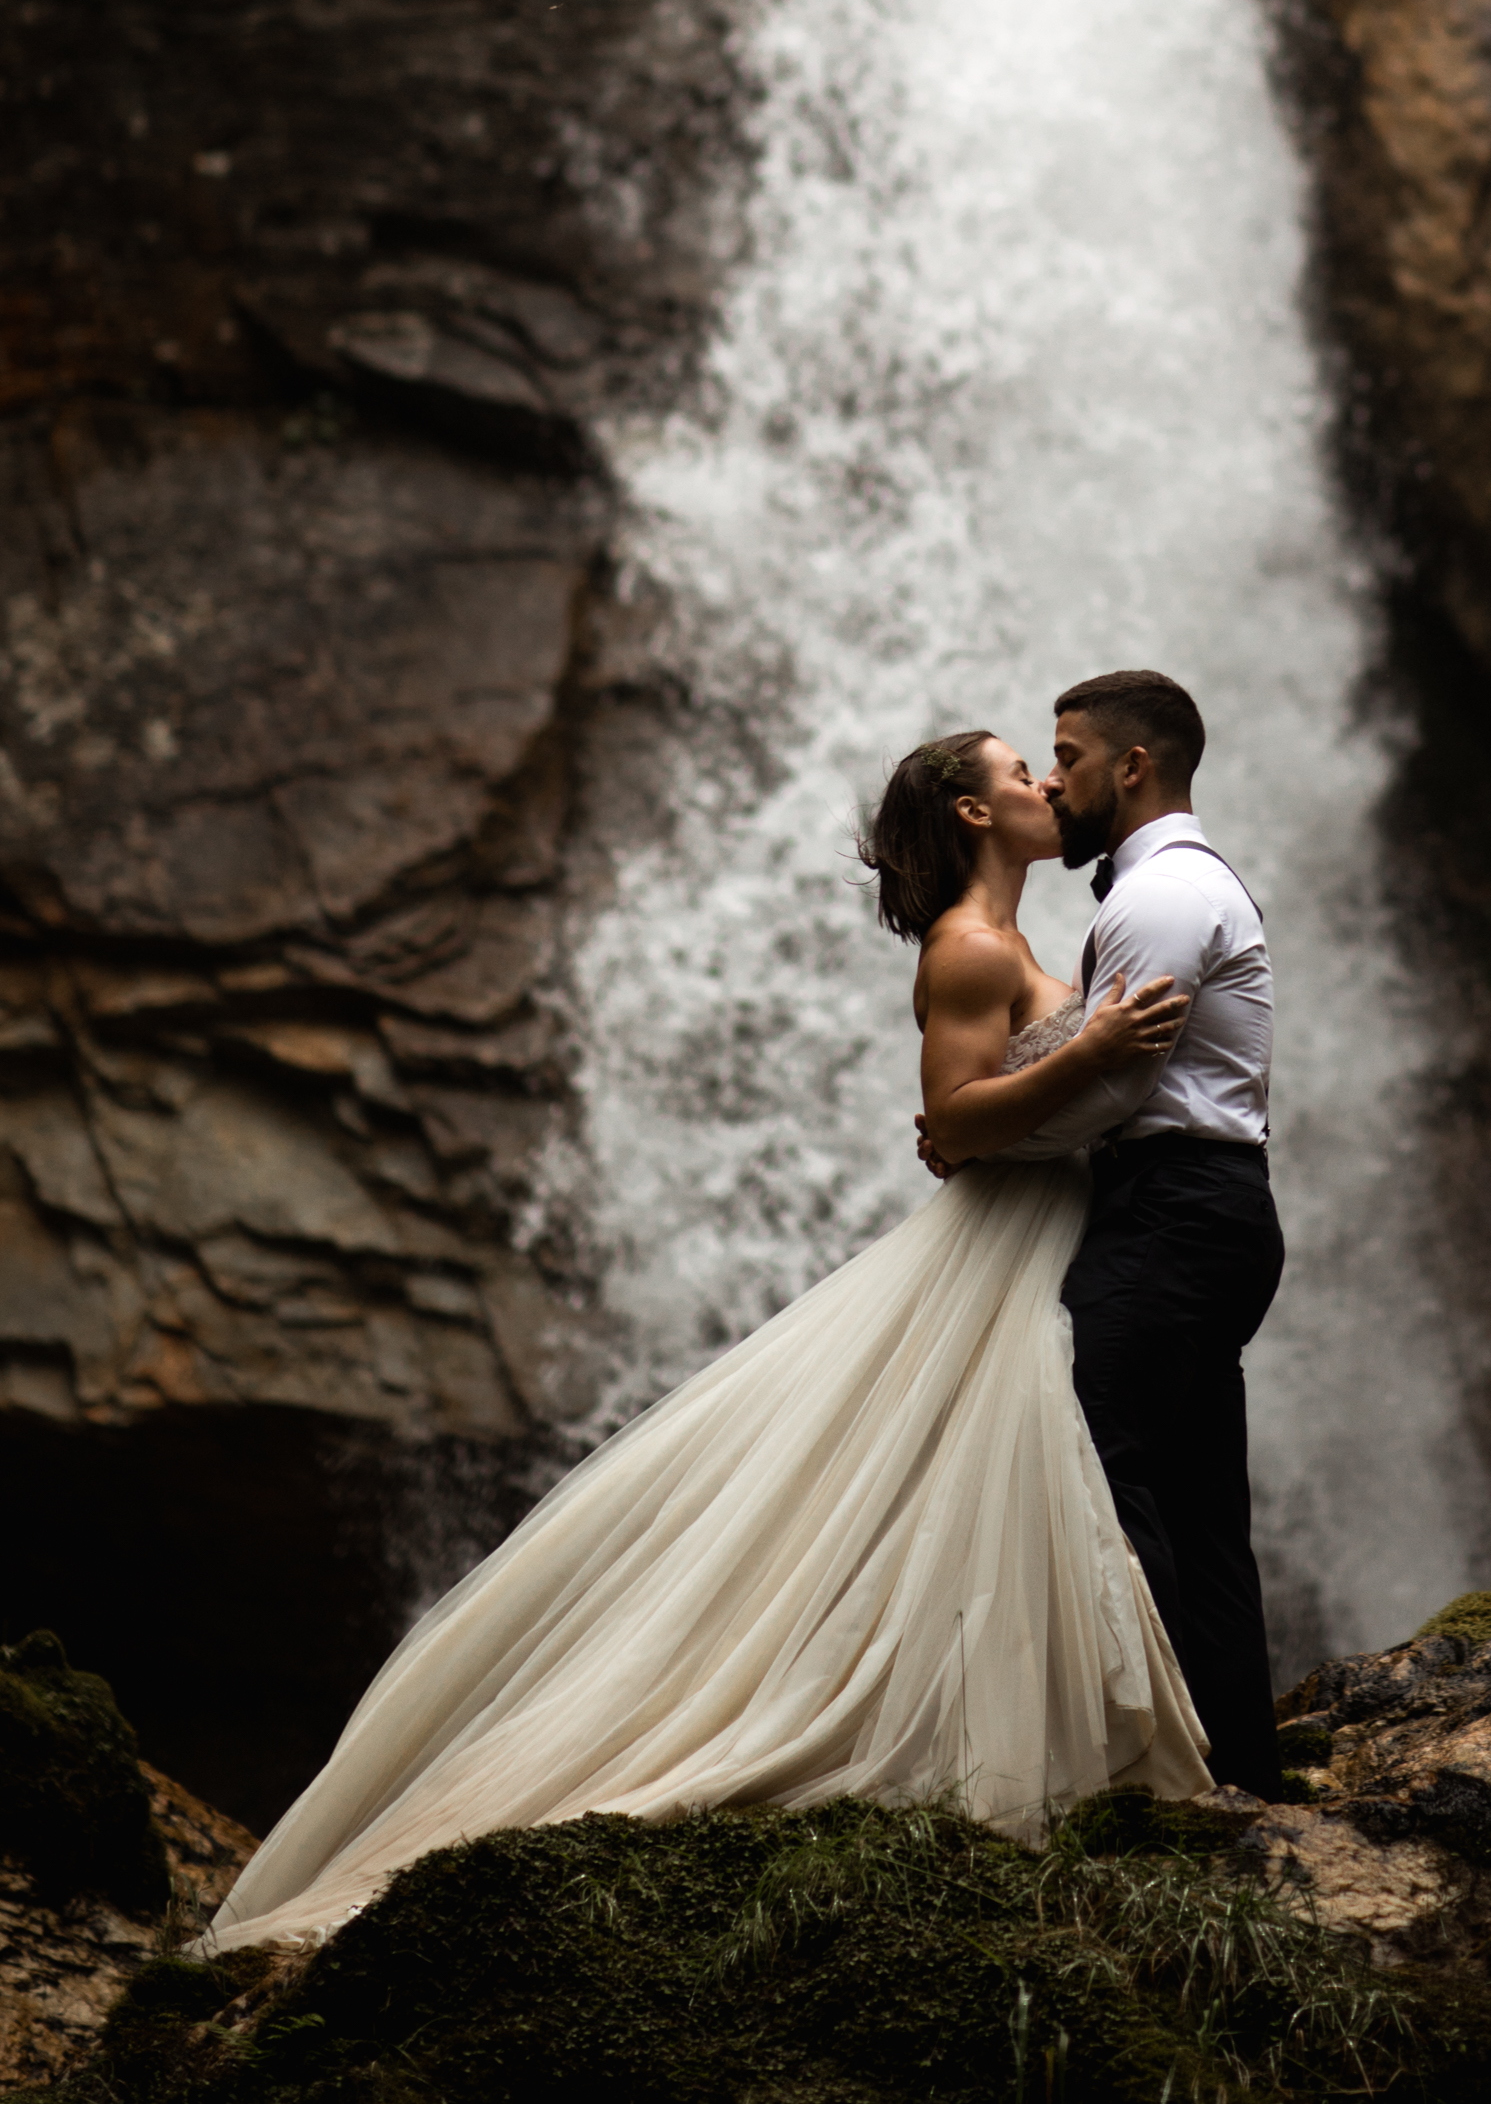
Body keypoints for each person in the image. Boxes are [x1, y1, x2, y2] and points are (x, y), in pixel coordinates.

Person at [205, 729, 1210, 1954]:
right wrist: (1093, 1050)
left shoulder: (1014, 941)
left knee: (978, 1490)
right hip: (1002, 1247)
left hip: (1030, 1243)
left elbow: (974, 1112)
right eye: (1021, 773)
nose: (1048, 786)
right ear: (970, 812)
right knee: (985, 1480)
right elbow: (956, 1113)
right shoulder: (969, 947)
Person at [919, 671, 1283, 1797]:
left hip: (1174, 1206)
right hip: (1192, 1207)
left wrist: (973, 1138)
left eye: (1065, 756)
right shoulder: (1136, 898)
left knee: (1100, 1469)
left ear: (1130, 767)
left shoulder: (1160, 896)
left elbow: (1112, 1095)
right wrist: (975, 1124)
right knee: (1192, 1498)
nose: (1051, 777)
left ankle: (1158, 1766)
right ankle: (1233, 1766)